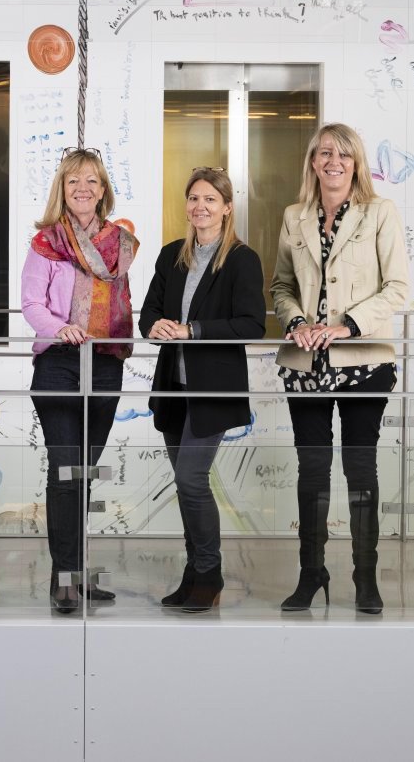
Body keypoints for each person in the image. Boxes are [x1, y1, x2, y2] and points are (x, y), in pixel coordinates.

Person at [269, 123, 409, 614]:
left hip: (363, 363)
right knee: (312, 471)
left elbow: (397, 287)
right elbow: (281, 287)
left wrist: (347, 326)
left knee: (360, 469)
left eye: (344, 154)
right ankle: (312, 573)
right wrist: (297, 322)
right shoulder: (294, 216)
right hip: (306, 363)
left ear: (356, 164)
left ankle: (365, 577)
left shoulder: (380, 212)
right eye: (325, 152)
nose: (334, 161)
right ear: (313, 161)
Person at [140, 168, 266, 613]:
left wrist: (192, 330)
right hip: (173, 385)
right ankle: (194, 573)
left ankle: (210, 575)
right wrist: (155, 326)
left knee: (190, 479)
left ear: (227, 207)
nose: (200, 207)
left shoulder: (241, 259)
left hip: (213, 387)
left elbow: (252, 324)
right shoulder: (171, 254)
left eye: (211, 199)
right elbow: (149, 312)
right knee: (186, 484)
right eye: (194, 198)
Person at [22, 147, 138, 613]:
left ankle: (76, 572)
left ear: (103, 189)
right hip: (60, 361)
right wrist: (60, 328)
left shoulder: (121, 244)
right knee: (66, 471)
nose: (83, 188)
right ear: (62, 189)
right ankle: (64, 580)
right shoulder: (46, 242)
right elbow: (32, 304)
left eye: (91, 180)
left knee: (85, 473)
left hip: (106, 362)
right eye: (73, 181)